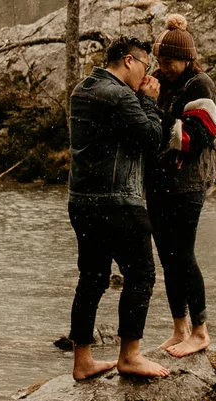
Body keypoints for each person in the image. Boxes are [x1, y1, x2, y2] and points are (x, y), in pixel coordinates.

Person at [66, 36, 171, 382]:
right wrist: (149, 100)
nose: (146, 74)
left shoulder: (82, 89)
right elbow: (152, 139)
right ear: (128, 60)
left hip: (82, 201)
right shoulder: (121, 95)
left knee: (92, 278)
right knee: (141, 275)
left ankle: (82, 361)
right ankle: (130, 355)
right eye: (144, 66)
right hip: (120, 201)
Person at [146, 20, 216, 359]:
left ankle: (201, 331)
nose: (163, 68)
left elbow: (198, 134)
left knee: (183, 254)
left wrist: (154, 115)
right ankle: (179, 328)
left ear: (187, 59)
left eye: (169, 62)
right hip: (158, 181)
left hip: (188, 183)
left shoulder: (199, 84)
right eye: (160, 60)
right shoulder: (159, 82)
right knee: (166, 255)